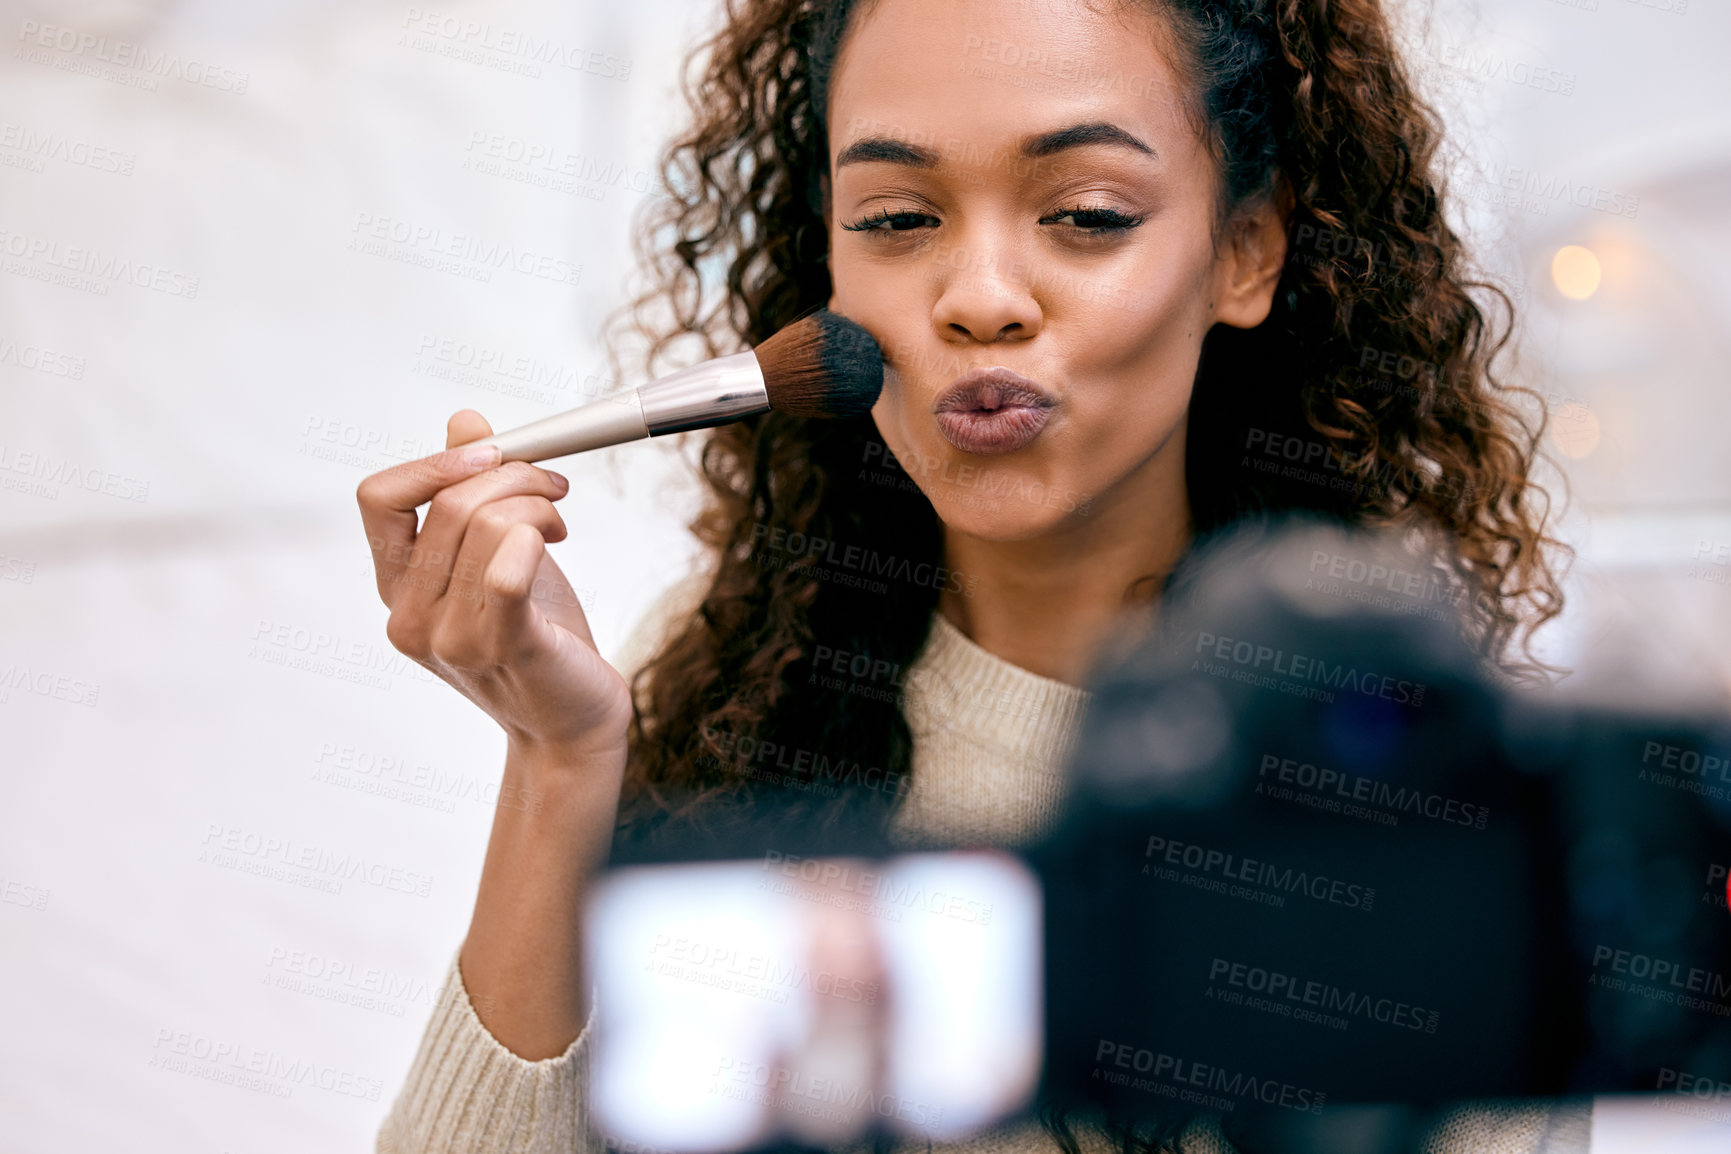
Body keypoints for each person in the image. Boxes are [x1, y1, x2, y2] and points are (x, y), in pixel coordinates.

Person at [356, 1, 1571, 1150]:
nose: (980, 298)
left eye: (1087, 212)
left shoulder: (1419, 769)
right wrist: (561, 759)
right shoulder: (731, 675)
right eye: (895, 219)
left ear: (1244, 251)